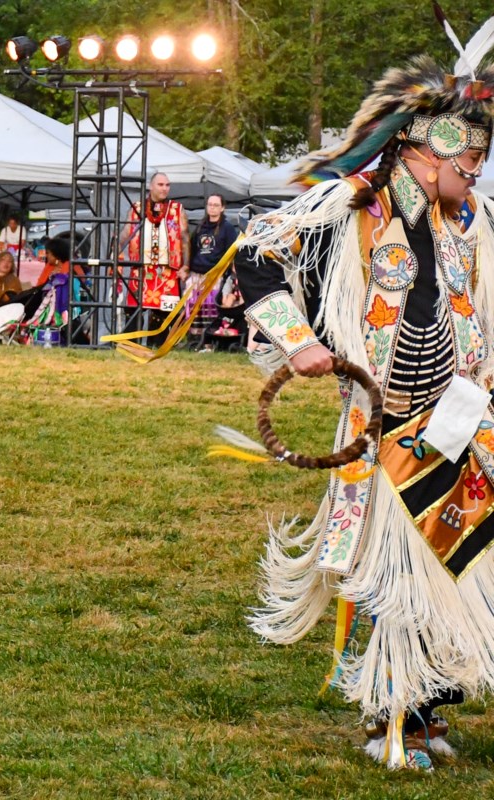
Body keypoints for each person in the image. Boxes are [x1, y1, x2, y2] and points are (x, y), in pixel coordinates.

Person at [236, 32, 494, 770]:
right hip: (384, 426)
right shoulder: (351, 208)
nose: (473, 177)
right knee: (403, 576)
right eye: (466, 163)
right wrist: (298, 342)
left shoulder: (464, 229)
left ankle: (430, 709)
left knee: (462, 565)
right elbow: (257, 253)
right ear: (422, 153)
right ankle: (392, 718)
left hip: (459, 422)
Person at [118, 172, 188, 330]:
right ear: (151, 186)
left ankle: (158, 347)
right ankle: (129, 344)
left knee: (164, 315)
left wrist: (185, 266)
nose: (165, 188)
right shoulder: (138, 208)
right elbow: (126, 232)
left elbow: (185, 238)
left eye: (167, 185)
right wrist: (115, 250)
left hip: (167, 271)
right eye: (161, 185)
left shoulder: (176, 209)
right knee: (133, 310)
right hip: (141, 269)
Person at [187, 194, 237, 323]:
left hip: (216, 275)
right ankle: (193, 337)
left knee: (211, 308)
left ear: (222, 208)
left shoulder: (228, 229)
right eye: (210, 205)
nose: (212, 208)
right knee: (193, 306)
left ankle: (209, 339)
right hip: (196, 274)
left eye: (216, 205)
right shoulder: (199, 228)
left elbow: (232, 253)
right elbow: (192, 249)